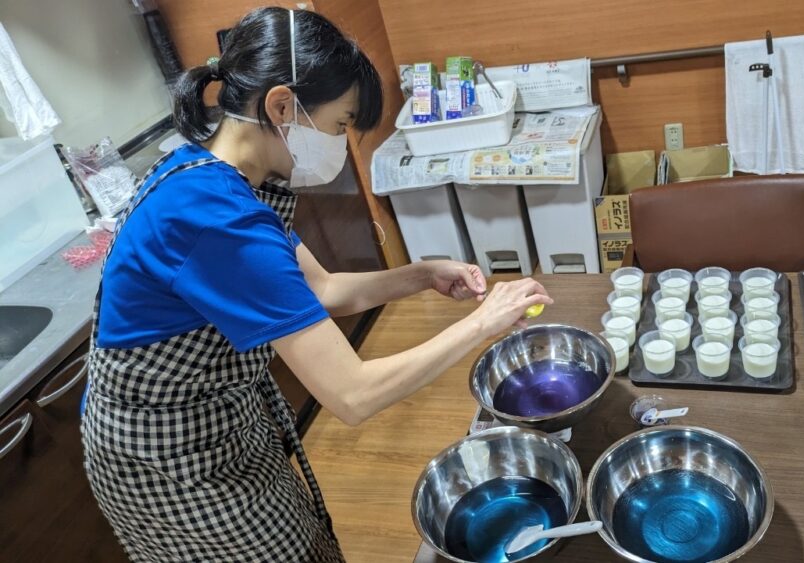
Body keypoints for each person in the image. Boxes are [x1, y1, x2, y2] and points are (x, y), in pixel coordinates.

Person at [81, 7, 551, 562]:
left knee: (297, 538)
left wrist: (422, 275)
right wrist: (483, 322)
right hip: (167, 454)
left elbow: (323, 290)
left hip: (220, 418)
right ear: (282, 105)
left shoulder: (216, 176)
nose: (337, 143)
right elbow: (354, 394)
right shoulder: (214, 217)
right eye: (337, 125)